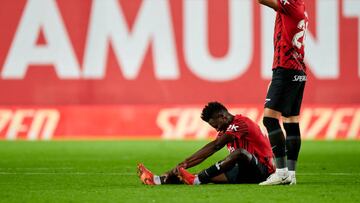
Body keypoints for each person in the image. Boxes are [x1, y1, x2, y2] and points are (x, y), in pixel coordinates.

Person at [137, 101, 275, 185]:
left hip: (263, 171)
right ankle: (157, 180)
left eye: (216, 125)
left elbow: (215, 146)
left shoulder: (241, 123)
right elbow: (205, 154)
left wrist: (185, 163)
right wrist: (183, 165)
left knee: (240, 153)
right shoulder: (224, 131)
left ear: (222, 116)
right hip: (242, 172)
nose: (217, 129)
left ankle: (197, 180)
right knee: (190, 176)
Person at [257, 0, 308, 185]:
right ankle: (291, 175)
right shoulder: (300, 5)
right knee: (291, 121)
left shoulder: (291, 4)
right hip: (298, 70)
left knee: (269, 119)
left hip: (285, 68)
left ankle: (281, 172)